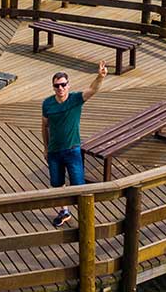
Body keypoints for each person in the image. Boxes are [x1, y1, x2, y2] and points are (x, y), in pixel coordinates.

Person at [41, 62, 107, 227]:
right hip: (54, 151)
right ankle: (64, 211)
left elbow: (93, 90)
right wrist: (46, 147)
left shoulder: (76, 99)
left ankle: (86, 216)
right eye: (57, 86)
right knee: (57, 184)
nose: (60, 88)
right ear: (53, 87)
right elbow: (44, 125)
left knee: (78, 185)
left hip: (72, 150)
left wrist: (100, 76)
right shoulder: (47, 104)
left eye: (63, 85)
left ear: (68, 85)